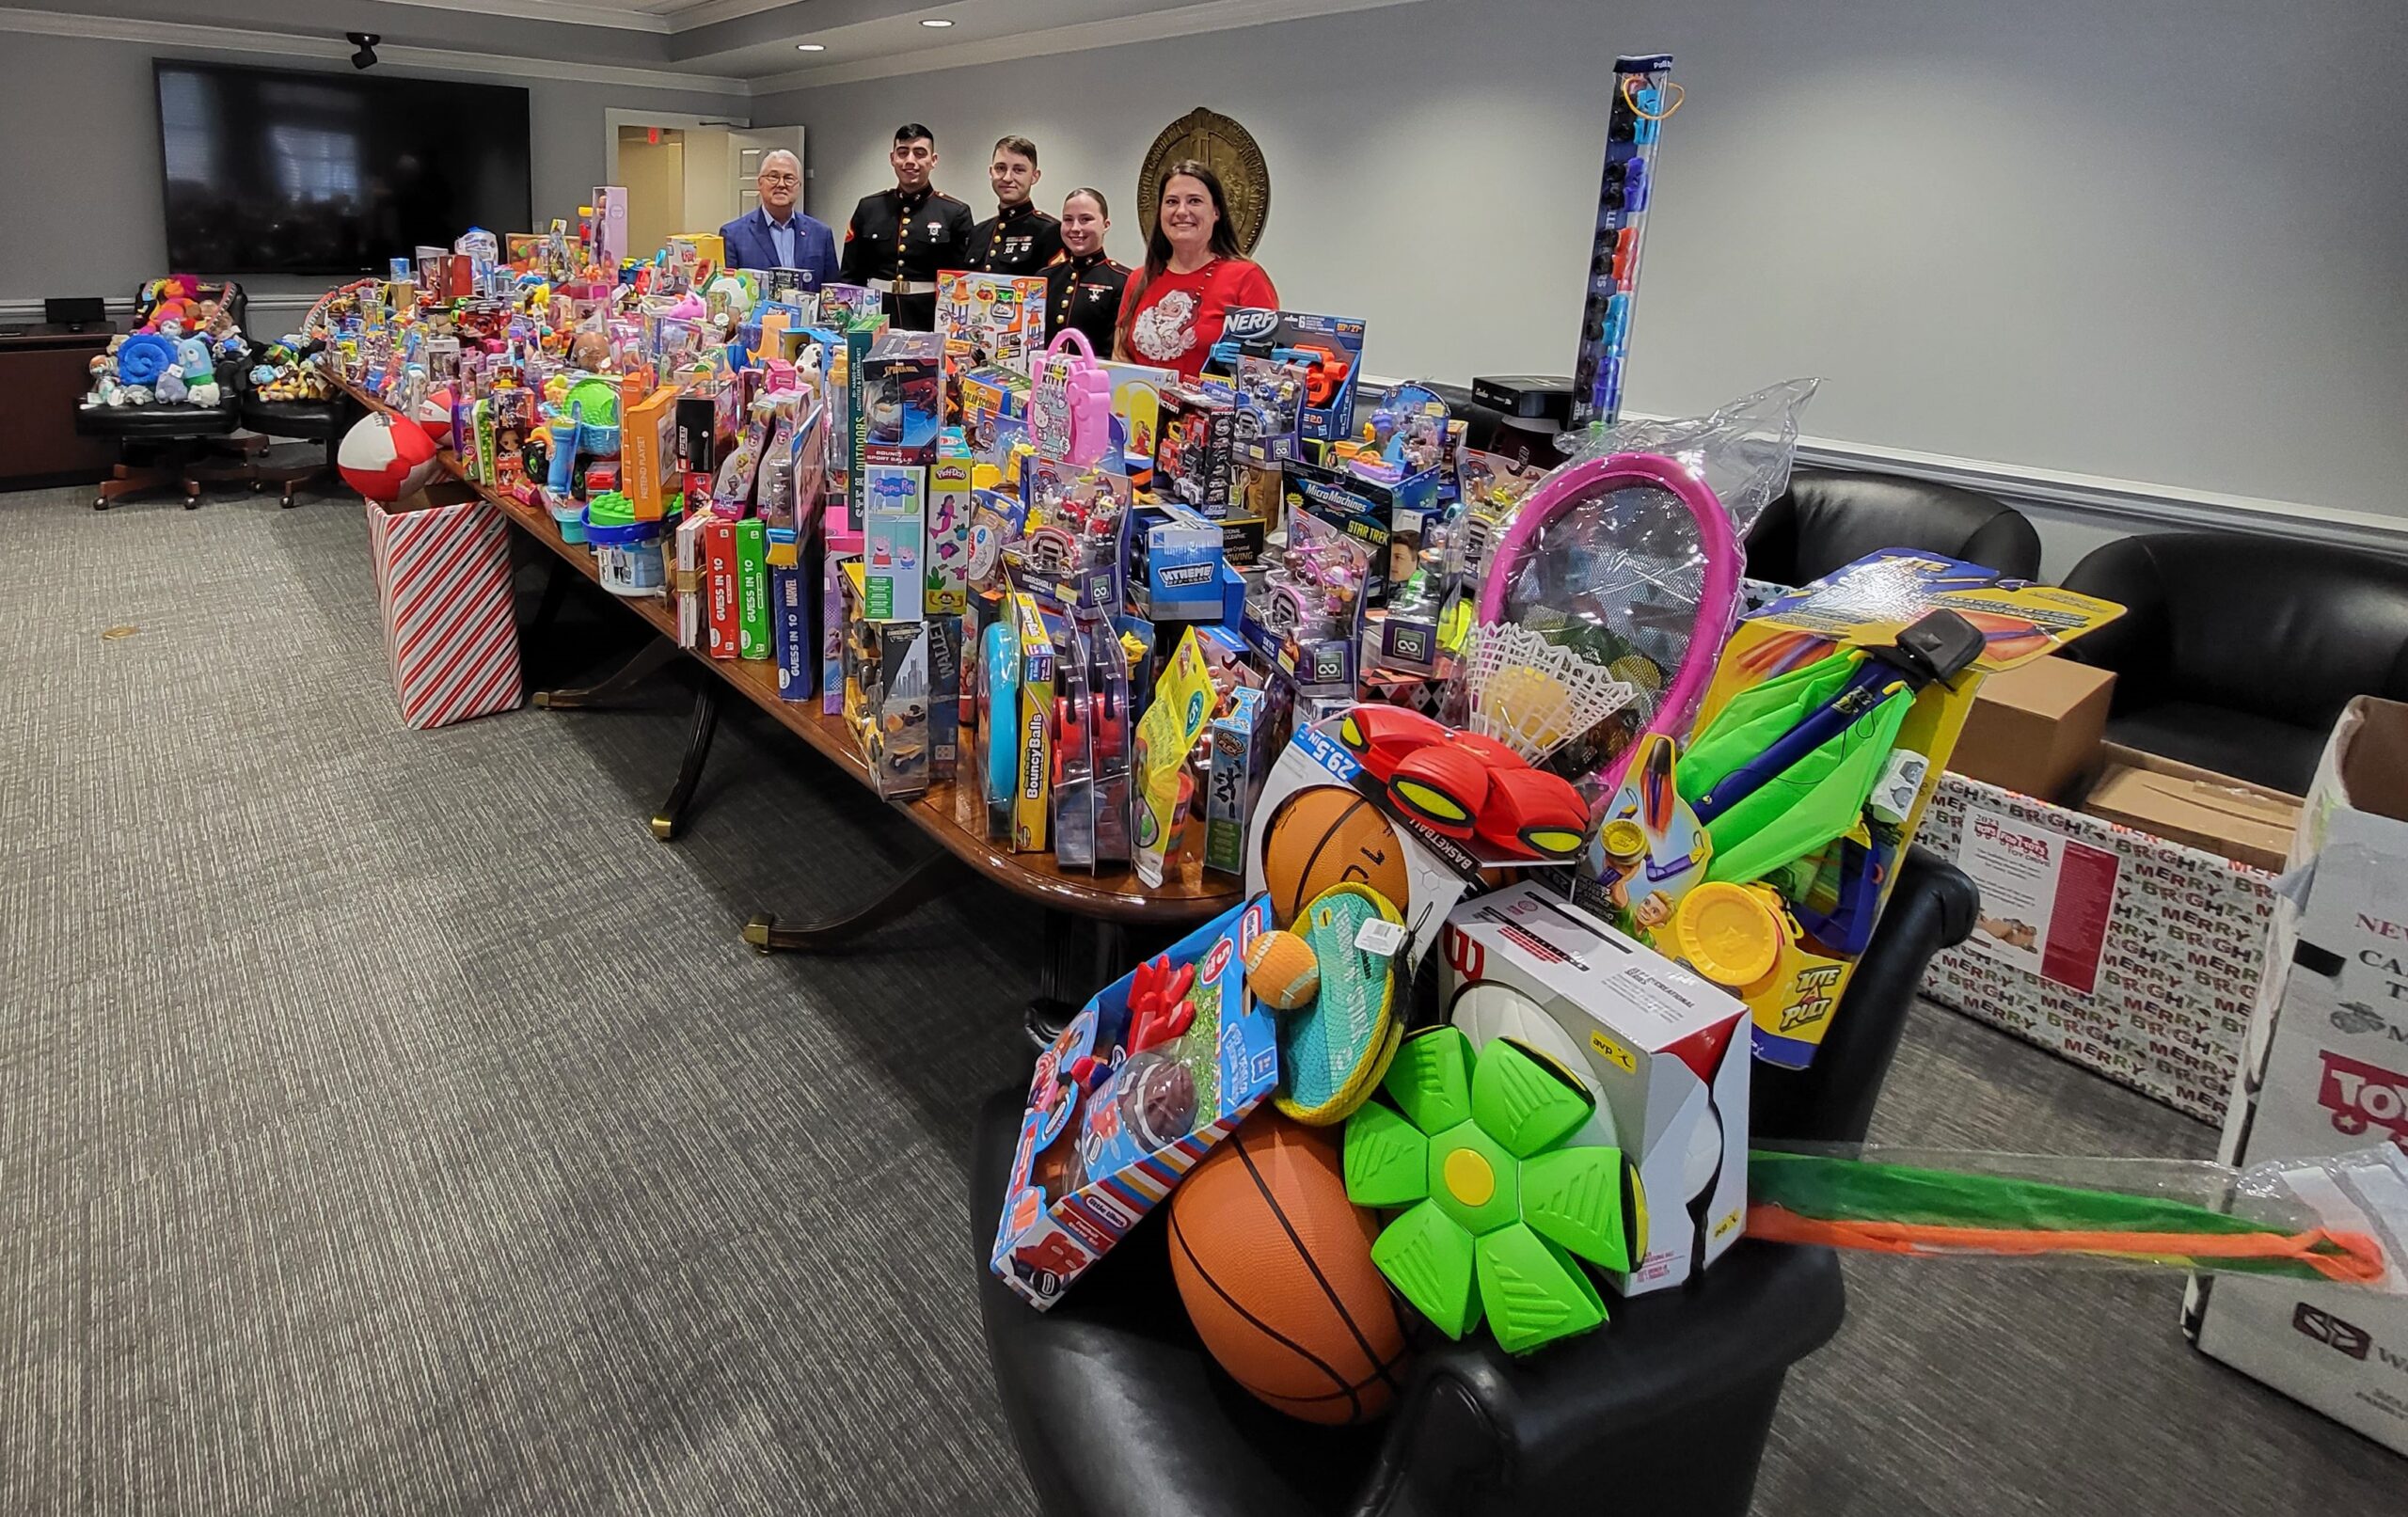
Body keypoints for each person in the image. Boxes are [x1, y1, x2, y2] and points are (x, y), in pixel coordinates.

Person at [1114, 161, 1276, 383]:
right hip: (1142, 412)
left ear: (1216, 212)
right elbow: (1121, 355)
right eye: (1171, 202)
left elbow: (1263, 370)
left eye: (1195, 201)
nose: (1182, 211)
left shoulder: (1247, 278)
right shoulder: (1139, 279)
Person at [839, 123, 974, 331]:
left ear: (933, 160)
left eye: (920, 153)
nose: (910, 161)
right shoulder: (869, 207)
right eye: (903, 153)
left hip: (929, 321)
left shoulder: (954, 212)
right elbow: (850, 274)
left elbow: (963, 281)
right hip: (874, 317)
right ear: (892, 158)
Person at [718, 150, 840, 288]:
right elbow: (729, 291)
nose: (781, 184)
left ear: (799, 186)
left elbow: (832, 293)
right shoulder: (733, 235)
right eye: (773, 177)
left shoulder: (821, 234)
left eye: (789, 178)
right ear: (760, 183)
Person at [1044, 187, 1129, 356]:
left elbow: (1116, 352)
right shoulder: (1045, 277)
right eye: (1068, 219)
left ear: (1106, 225)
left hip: (1093, 378)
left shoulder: (1122, 281)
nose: (1075, 228)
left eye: (1085, 219)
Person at [964, 135, 1062, 277]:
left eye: (1018, 170)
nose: (1007, 177)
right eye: (1000, 168)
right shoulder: (978, 232)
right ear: (991, 172)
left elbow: (1055, 288)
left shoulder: (1049, 231)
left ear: (1035, 176)